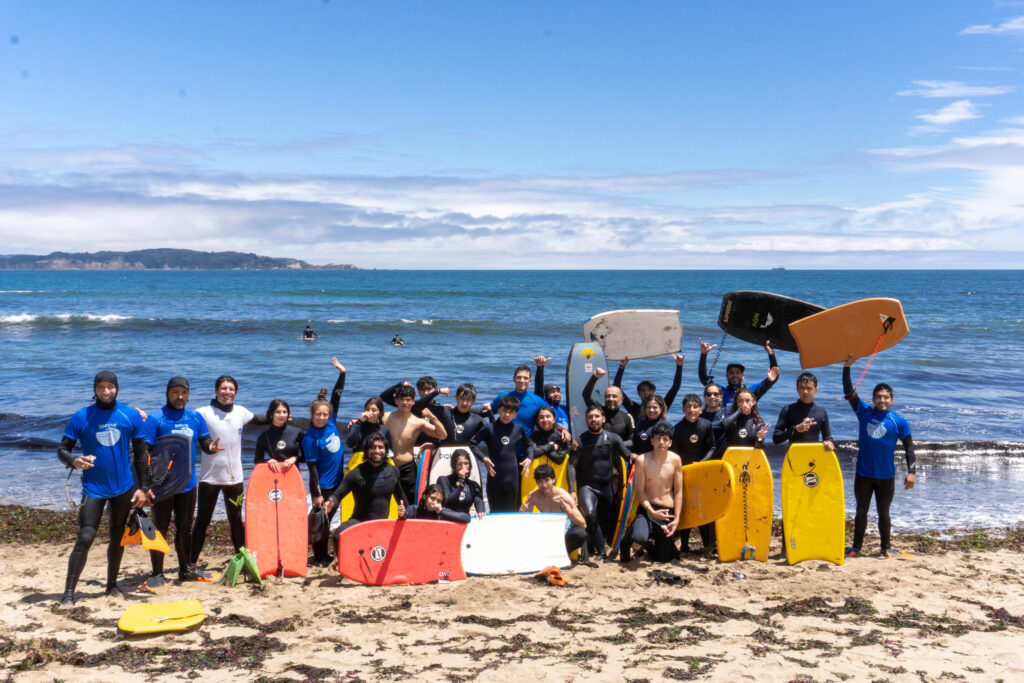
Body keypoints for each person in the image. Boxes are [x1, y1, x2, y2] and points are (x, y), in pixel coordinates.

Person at [56, 371, 149, 606]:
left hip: (124, 488)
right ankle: (68, 593)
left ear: (117, 388)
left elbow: (140, 456)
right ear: (95, 389)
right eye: (101, 387)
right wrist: (73, 461)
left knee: (117, 537)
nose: (106, 392)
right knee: (86, 537)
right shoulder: (82, 417)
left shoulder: (130, 416)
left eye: (110, 387)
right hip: (93, 487)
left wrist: (144, 488)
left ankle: (111, 585)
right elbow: (62, 450)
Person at [141, 376, 223, 590]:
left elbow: (204, 441)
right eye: (175, 392)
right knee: (159, 529)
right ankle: (157, 573)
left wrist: (211, 447)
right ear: (168, 393)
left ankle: (185, 569)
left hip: (187, 483)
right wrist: (146, 485)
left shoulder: (195, 417)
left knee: (185, 528)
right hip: (162, 485)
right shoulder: (156, 418)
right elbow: (144, 452)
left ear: (188, 394)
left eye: (183, 392)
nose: (179, 396)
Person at [843, 355, 915, 559]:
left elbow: (909, 448)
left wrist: (912, 472)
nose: (882, 400)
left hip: (886, 476)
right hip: (864, 474)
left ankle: (886, 547)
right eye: (878, 397)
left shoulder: (899, 421)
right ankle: (856, 547)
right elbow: (849, 392)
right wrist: (847, 367)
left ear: (891, 400)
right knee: (861, 511)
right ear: (873, 399)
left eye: (886, 397)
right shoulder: (864, 412)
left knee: (884, 512)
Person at [192, 375, 258, 568]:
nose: (227, 392)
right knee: (202, 521)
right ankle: (192, 562)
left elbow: (262, 420)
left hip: (234, 479)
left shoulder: (241, 412)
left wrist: (281, 417)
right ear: (216, 390)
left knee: (236, 521)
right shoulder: (203, 413)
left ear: (235, 393)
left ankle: (242, 560)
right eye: (223, 388)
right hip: (209, 478)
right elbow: (183, 421)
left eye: (231, 389)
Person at [323, 433, 408, 554]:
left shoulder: (393, 471)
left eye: (380, 447)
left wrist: (405, 514)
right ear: (367, 451)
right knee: (338, 535)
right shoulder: (356, 473)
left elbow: (401, 496)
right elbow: (338, 494)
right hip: (360, 521)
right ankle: (345, 567)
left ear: (386, 450)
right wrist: (331, 502)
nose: (377, 450)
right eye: (373, 447)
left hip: (382, 523)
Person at [570, 405, 630, 560]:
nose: (594, 419)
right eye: (590, 417)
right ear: (586, 420)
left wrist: (638, 458)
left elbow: (627, 454)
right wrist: (572, 490)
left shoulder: (613, 438)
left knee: (606, 519)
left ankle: (598, 543)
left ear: (603, 419)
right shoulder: (580, 441)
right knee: (590, 514)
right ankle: (602, 551)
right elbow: (572, 466)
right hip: (587, 486)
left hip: (606, 487)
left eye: (597, 416)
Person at [303, 358, 347, 566]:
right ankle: (319, 556)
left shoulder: (331, 422)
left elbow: (336, 396)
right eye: (318, 415)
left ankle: (322, 554)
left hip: (339, 481)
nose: (321, 417)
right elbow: (311, 469)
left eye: (324, 414)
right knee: (323, 520)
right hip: (325, 486)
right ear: (312, 415)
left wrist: (342, 374)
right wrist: (316, 494)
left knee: (328, 519)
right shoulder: (310, 437)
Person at [621, 423, 683, 562]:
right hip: (647, 509)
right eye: (658, 439)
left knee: (664, 559)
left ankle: (649, 545)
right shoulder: (642, 460)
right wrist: (651, 511)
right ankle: (630, 536)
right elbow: (640, 491)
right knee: (639, 538)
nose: (661, 442)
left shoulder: (675, 460)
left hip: (667, 511)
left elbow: (678, 491)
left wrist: (677, 517)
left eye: (665, 439)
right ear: (652, 441)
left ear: (670, 442)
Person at [383, 383, 447, 504]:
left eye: (408, 400)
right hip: (386, 466)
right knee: (384, 501)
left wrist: (432, 417)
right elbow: (369, 421)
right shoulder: (385, 417)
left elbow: (442, 435)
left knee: (410, 502)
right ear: (396, 401)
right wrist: (357, 421)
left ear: (413, 401)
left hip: (407, 469)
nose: (405, 403)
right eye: (401, 399)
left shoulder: (418, 422)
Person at [470, 395, 534, 512]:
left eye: (511, 412)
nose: (507, 415)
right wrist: (483, 458)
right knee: (495, 510)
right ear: (498, 410)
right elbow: (472, 444)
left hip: (512, 476)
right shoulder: (489, 428)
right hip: (494, 475)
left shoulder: (518, 429)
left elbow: (529, 445)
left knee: (510, 510)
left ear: (515, 415)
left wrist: (529, 458)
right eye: (504, 411)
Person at [671, 393, 717, 554]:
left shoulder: (706, 425)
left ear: (701, 409)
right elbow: (674, 454)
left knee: (702, 509)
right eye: (688, 407)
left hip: (702, 473)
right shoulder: (676, 428)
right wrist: (681, 470)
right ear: (683, 409)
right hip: (684, 474)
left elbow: (712, 447)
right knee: (686, 511)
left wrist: (703, 462)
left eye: (695, 406)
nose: (692, 410)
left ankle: (706, 547)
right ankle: (684, 546)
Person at [520, 464, 588, 557]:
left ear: (553, 479)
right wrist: (522, 511)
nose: (544, 485)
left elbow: (583, 525)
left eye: (547, 480)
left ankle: (563, 554)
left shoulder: (564, 496)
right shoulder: (533, 496)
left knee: (580, 534)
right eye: (540, 481)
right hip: (546, 529)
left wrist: (569, 511)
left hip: (563, 529)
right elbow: (524, 522)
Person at [698, 338, 779, 407]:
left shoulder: (751, 392)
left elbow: (773, 377)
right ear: (726, 376)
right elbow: (704, 379)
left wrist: (771, 354)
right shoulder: (720, 392)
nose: (735, 375)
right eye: (731, 373)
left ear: (743, 375)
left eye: (737, 372)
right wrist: (703, 354)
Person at [483, 365, 550, 438]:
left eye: (525, 378)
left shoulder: (537, 401)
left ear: (530, 381)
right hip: (503, 442)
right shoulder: (503, 397)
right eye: (519, 377)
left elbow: (550, 420)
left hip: (526, 445)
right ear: (514, 379)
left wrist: (563, 429)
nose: (522, 380)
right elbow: (485, 413)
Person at [773, 371, 834, 451]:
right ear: (797, 389)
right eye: (802, 388)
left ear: (816, 390)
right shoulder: (788, 410)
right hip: (794, 457)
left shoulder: (821, 411)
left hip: (814, 458)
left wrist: (829, 443)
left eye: (809, 388)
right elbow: (776, 438)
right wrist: (796, 429)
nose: (805, 391)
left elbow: (828, 437)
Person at [613, 355, 685, 422]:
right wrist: (621, 367)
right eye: (643, 391)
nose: (646, 393)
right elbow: (616, 389)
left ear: (654, 393)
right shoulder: (634, 408)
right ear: (639, 394)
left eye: (649, 390)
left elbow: (675, 387)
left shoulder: (663, 406)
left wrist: (679, 366)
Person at [583, 367, 635, 446]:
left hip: (619, 453)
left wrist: (616, 446)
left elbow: (632, 441)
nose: (611, 399)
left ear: (621, 399)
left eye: (614, 396)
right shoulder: (599, 411)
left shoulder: (627, 417)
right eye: (608, 396)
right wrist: (594, 377)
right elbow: (586, 395)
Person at [254, 398, 304, 472]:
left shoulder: (297, 432)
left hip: (293, 475)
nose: (282, 415)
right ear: (271, 415)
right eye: (278, 412)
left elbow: (307, 457)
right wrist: (268, 460)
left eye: (284, 412)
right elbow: (257, 460)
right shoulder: (264, 436)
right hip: (274, 475)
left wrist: (294, 458)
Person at [718, 388, 770, 454]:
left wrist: (759, 438)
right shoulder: (732, 418)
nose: (744, 404)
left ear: (753, 402)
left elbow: (759, 447)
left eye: (747, 401)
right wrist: (740, 411)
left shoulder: (758, 422)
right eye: (740, 401)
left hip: (749, 458)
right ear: (736, 403)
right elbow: (724, 425)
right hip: (731, 456)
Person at [437, 449, 485, 518]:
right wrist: (461, 480)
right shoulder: (443, 480)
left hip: (464, 520)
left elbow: (479, 502)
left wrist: (480, 512)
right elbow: (449, 501)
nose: (463, 467)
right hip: (447, 520)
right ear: (454, 466)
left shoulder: (473, 485)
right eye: (459, 464)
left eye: (466, 463)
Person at [531, 356, 570, 431]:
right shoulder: (544, 406)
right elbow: (539, 388)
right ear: (546, 395)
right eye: (552, 392)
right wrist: (540, 368)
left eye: (558, 391)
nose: (556, 394)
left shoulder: (564, 408)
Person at [406, 484, 471, 523]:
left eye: (439, 501)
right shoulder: (414, 509)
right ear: (424, 496)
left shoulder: (441, 512)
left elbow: (466, 518)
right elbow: (404, 517)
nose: (435, 502)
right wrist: (402, 515)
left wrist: (441, 511)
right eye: (432, 498)